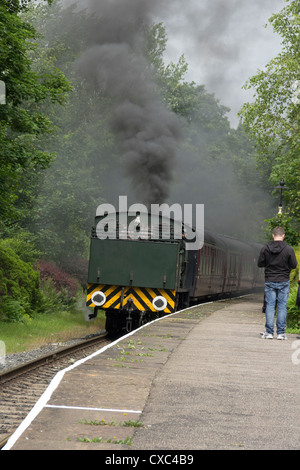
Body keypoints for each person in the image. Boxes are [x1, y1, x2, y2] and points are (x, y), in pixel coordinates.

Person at [257, 226, 297, 340]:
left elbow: (260, 263)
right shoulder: (289, 249)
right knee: (282, 306)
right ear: (283, 236)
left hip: (270, 280)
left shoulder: (265, 248)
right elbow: (294, 265)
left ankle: (269, 333)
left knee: (270, 305)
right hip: (284, 280)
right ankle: (280, 333)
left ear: (273, 235)